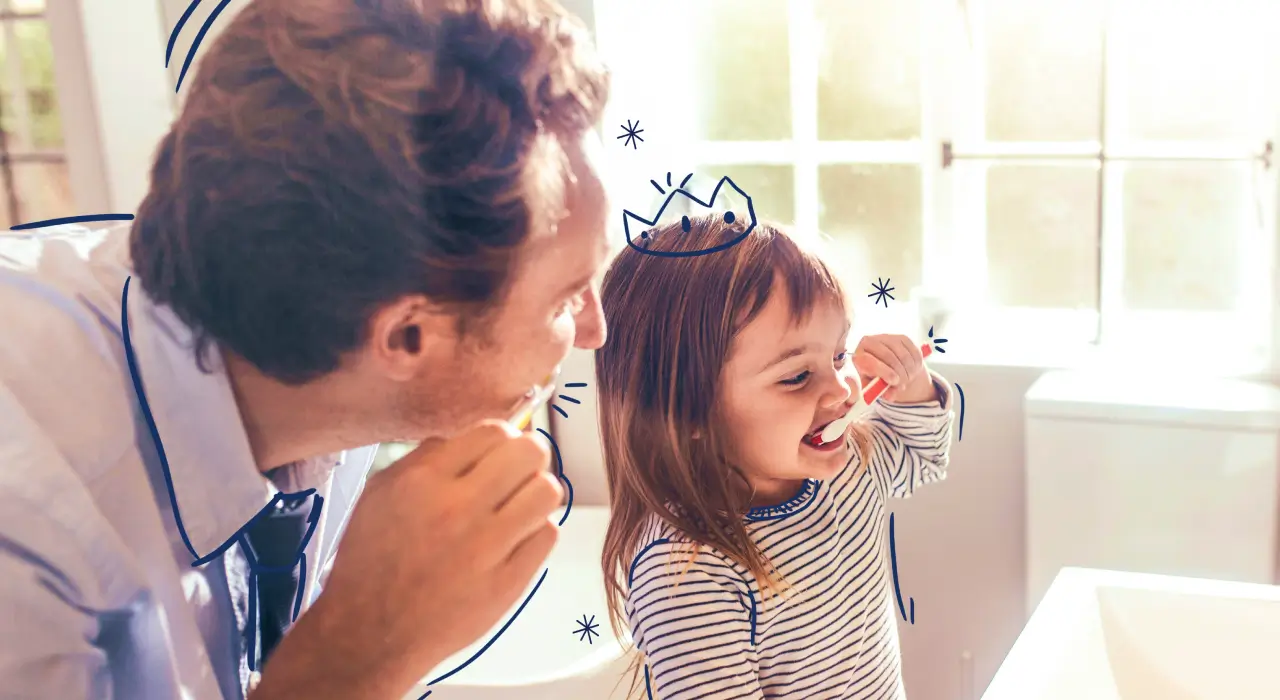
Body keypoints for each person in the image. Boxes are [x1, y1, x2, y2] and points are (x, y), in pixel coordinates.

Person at [0, 0, 612, 698]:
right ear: (407, 335)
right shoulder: (25, 526)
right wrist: (361, 651)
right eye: (567, 298)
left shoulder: (327, 354)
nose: (595, 329)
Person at [595, 214, 956, 699]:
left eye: (838, 356)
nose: (843, 392)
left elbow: (922, 455)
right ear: (685, 411)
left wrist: (913, 388)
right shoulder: (689, 576)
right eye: (795, 377)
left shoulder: (847, 470)